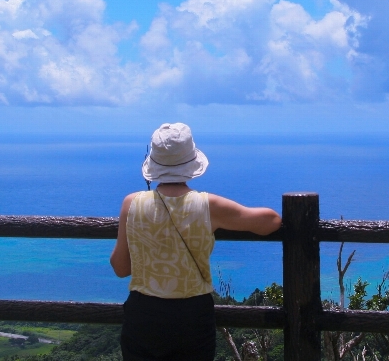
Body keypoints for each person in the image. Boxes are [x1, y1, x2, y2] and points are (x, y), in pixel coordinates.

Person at [110, 122, 282, 361]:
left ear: (153, 165)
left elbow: (120, 267)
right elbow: (271, 221)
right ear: (192, 163)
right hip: (191, 314)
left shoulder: (131, 203)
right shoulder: (208, 205)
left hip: (143, 314)